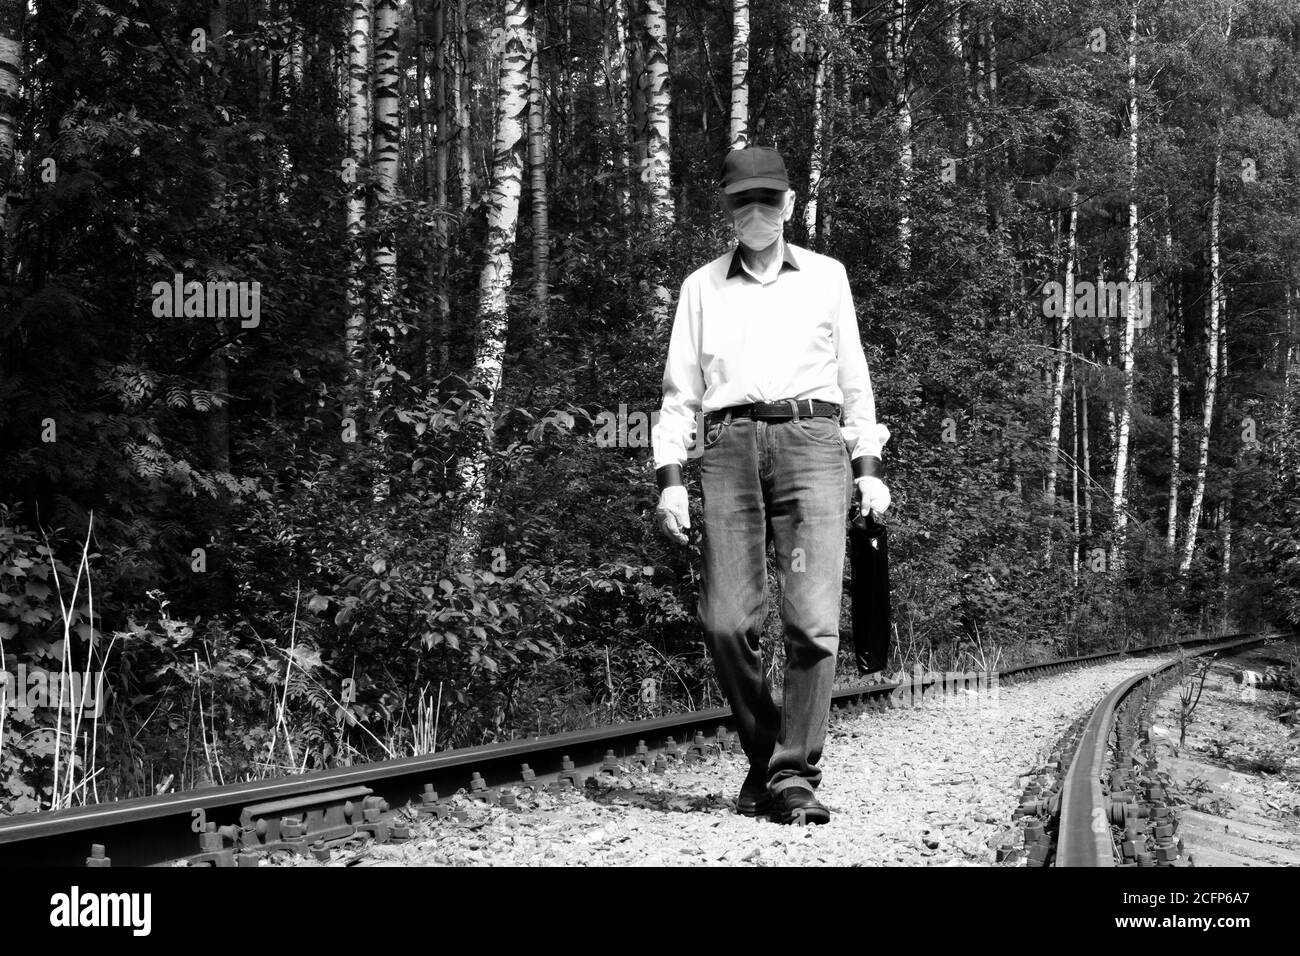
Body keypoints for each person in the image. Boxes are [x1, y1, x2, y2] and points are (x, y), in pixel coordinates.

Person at [651, 146, 892, 825]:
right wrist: (671, 479)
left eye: (767, 198)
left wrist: (867, 468)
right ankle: (769, 760)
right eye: (741, 201)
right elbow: (678, 395)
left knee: (813, 623)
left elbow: (855, 383)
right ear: (727, 210)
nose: (755, 211)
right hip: (727, 449)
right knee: (727, 621)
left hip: (814, 446)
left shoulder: (827, 278)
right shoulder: (702, 287)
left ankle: (792, 775)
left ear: (788, 203)